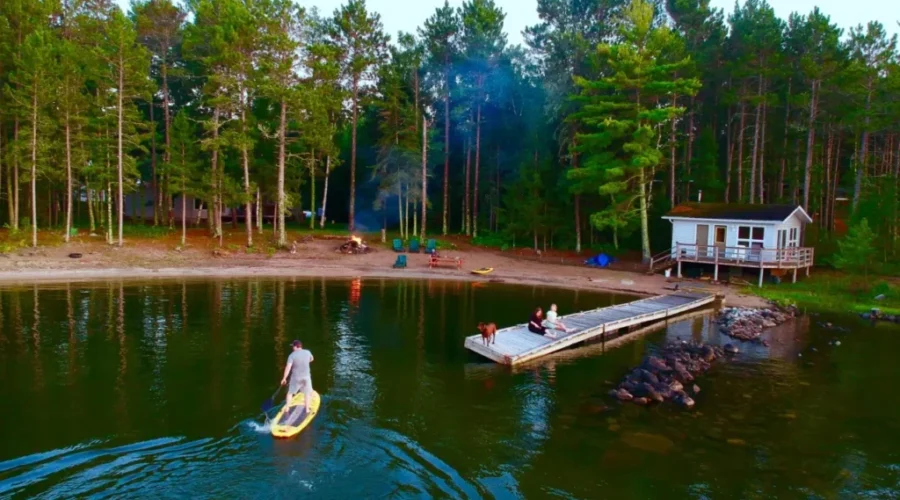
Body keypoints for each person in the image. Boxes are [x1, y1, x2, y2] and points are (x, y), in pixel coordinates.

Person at [281, 340, 314, 416]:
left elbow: (288, 367)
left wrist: (284, 378)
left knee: (290, 393)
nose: (292, 348)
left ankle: (287, 409)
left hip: (296, 378)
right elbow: (312, 359)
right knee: (307, 393)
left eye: (293, 346)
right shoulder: (307, 352)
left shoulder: (291, 355)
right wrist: (305, 362)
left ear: (296, 346)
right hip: (306, 377)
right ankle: (307, 410)